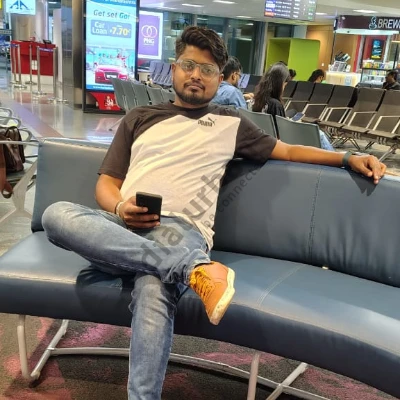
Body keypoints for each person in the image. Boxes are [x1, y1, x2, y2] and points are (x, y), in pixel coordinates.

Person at [41, 26, 386, 400]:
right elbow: (107, 184)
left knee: (154, 286)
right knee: (56, 215)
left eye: (207, 70)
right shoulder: (140, 116)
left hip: (180, 230)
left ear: (220, 79)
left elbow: (288, 151)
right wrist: (121, 207)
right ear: (175, 67)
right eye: (189, 65)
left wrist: (347, 157)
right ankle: (192, 269)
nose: (196, 75)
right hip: (121, 228)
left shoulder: (230, 122)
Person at [252, 63, 334, 151]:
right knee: (319, 134)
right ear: (279, 84)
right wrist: (294, 125)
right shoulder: (275, 104)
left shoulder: (259, 100)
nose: (283, 88)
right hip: (280, 146)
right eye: (284, 85)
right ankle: (335, 158)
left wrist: (287, 121)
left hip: (264, 142)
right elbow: (282, 134)